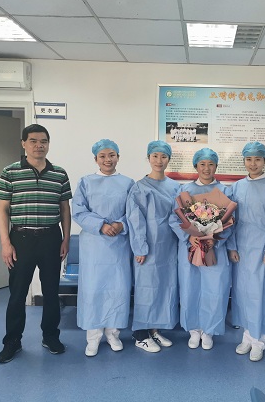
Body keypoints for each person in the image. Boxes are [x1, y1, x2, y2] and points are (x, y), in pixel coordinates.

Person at [0, 124, 72, 363]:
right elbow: (2, 210)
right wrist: (6, 243)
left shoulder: (59, 174)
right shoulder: (10, 172)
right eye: (33, 141)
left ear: (48, 144)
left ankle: (50, 336)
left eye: (43, 141)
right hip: (21, 239)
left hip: (51, 238)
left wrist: (66, 238)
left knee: (51, 291)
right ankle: (12, 341)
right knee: (18, 293)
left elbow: (64, 209)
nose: (39, 145)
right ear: (24, 144)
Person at [72, 139, 134, 357]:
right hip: (94, 246)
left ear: (118, 157)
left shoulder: (128, 183)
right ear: (95, 159)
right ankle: (93, 338)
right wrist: (101, 225)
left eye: (112, 155)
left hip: (118, 246)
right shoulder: (86, 182)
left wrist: (120, 224)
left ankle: (113, 334)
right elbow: (78, 211)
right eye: (103, 156)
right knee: (93, 290)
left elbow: (133, 212)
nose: (108, 160)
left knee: (118, 289)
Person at [228, 142, 265, 362]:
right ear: (244, 161)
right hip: (242, 249)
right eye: (249, 159)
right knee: (244, 293)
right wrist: (232, 246)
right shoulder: (236, 187)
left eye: (258, 159)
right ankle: (247, 336)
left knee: (262, 293)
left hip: (264, 249)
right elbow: (230, 221)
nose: (253, 164)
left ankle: (259, 341)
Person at [169, 148, 234, 350]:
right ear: (196, 166)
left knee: (214, 289)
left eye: (211, 164)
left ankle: (209, 330)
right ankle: (193, 330)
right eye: (202, 164)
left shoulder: (225, 191)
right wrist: (190, 236)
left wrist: (214, 239)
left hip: (215, 249)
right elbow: (174, 219)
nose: (206, 168)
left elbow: (232, 221)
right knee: (190, 288)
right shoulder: (184, 190)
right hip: (191, 248)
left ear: (216, 166)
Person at [126, 141, 180, 353]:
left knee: (165, 287)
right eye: (155, 156)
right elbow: (135, 219)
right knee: (146, 288)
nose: (159, 160)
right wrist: (140, 247)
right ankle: (140, 334)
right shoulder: (139, 187)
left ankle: (154, 329)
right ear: (148, 158)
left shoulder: (175, 187)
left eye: (163, 156)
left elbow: (182, 216)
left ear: (169, 159)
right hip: (148, 245)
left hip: (170, 246)